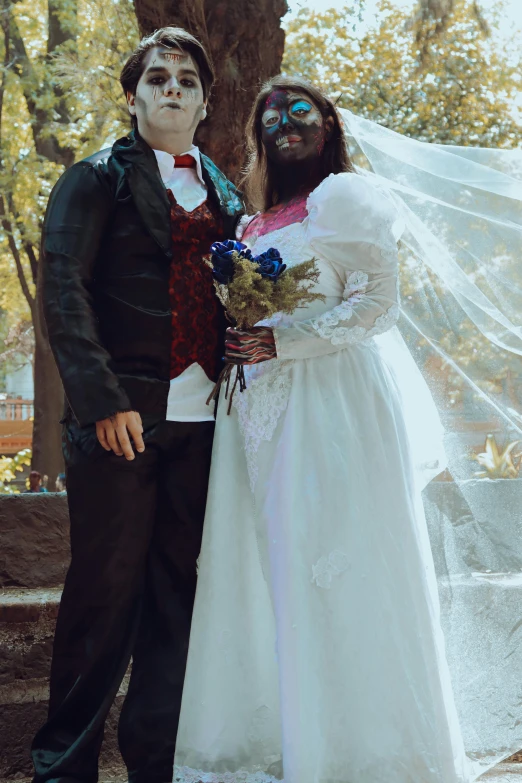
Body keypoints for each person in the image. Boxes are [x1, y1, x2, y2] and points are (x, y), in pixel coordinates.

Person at [173, 76, 522, 782]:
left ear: (328, 125)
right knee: (274, 567)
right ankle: (290, 733)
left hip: (333, 405)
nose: (285, 123)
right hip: (262, 413)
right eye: (272, 117)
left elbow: (378, 305)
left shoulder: (345, 199)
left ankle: (355, 752)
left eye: (301, 111)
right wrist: (250, 341)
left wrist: (286, 342)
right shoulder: (251, 223)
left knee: (337, 565)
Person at [31, 27, 243, 783]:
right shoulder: (94, 179)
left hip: (208, 421)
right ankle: (65, 768)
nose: (174, 87)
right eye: (158, 76)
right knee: (102, 600)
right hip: (121, 422)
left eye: (188, 78)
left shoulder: (224, 190)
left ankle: (158, 764)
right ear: (133, 94)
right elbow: (64, 293)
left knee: (175, 601)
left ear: (206, 101)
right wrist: (101, 400)